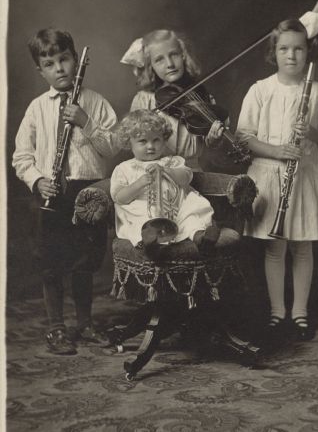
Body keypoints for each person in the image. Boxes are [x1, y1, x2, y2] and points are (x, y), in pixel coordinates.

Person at [236, 12, 318, 344]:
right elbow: (243, 137)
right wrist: (278, 151)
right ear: (274, 52)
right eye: (284, 49)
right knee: (274, 250)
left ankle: (300, 314)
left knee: (303, 248)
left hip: (305, 177)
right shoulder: (260, 90)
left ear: (307, 52)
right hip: (269, 176)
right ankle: (276, 313)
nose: (292, 56)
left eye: (298, 49)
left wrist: (311, 132)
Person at [12, 28, 118, 355]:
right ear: (40, 70)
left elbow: (113, 147)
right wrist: (36, 180)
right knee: (51, 262)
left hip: (88, 193)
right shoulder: (37, 108)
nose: (59, 69)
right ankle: (57, 327)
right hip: (51, 193)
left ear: (75, 60)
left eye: (64, 59)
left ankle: (84, 323)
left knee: (86, 261)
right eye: (50, 63)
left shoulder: (95, 103)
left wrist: (86, 122)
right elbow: (21, 156)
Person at [110, 109, 239, 261]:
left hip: (176, 207)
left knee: (191, 209)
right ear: (128, 142)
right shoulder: (124, 168)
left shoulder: (173, 161)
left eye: (156, 140)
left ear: (164, 139)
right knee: (140, 217)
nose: (151, 146)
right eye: (143, 141)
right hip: (144, 209)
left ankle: (201, 238)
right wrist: (139, 183)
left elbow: (187, 177)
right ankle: (151, 244)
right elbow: (119, 197)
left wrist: (166, 170)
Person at [120, 30, 226, 172]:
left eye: (174, 55)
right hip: (154, 171)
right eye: (159, 59)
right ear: (150, 65)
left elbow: (208, 142)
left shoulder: (200, 96)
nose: (170, 64)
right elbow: (136, 141)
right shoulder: (144, 99)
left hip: (192, 172)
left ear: (183, 56)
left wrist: (213, 140)